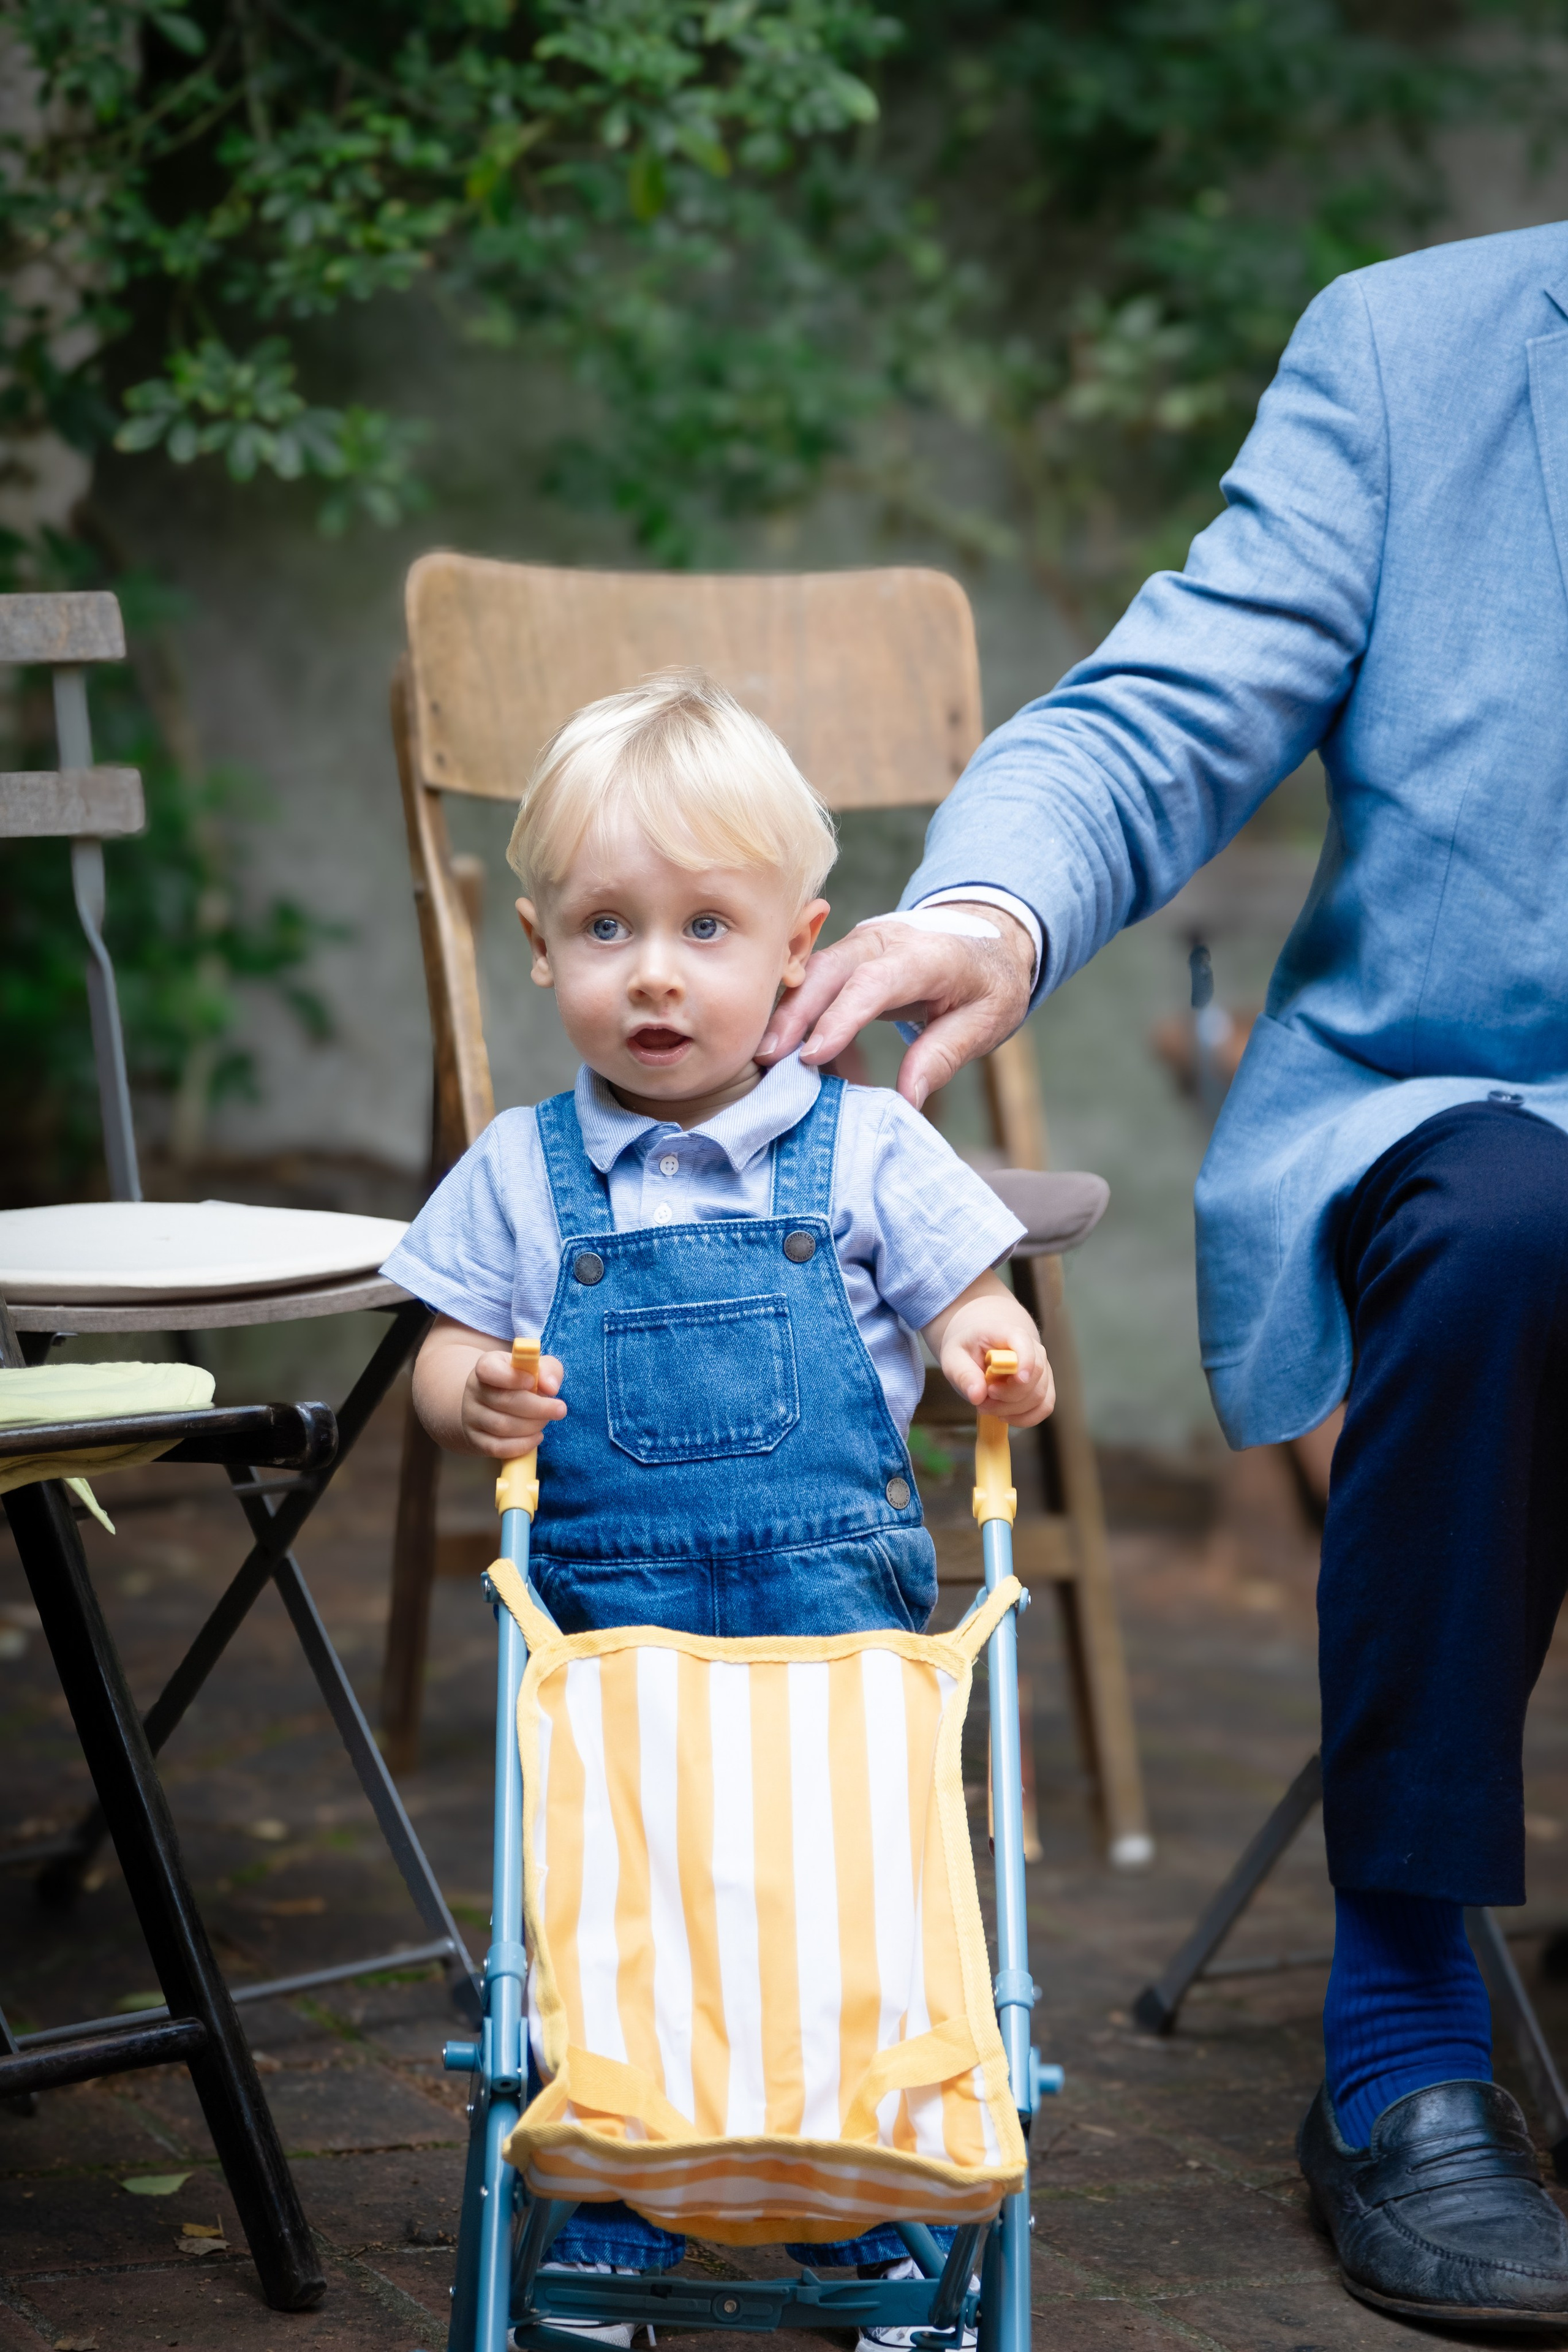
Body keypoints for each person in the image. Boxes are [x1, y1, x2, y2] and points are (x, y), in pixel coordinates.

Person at [758, 219, 1568, 2331]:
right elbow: (1163, 705)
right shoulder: (1422, 354)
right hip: (1474, 1098)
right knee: (1514, 1241)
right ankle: (1403, 2052)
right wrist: (999, 913)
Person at [382, 669, 1050, 2340]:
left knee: (854, 1911)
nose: (658, 973)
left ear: (798, 951)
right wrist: (476, 1395)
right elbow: (436, 1359)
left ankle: (863, 2195)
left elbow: (981, 1298)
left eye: (704, 927)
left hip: (841, 1646)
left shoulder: (873, 1150)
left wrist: (993, 1354)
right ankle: (610, 2190)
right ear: (539, 950)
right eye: (607, 929)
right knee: (621, 1907)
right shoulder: (521, 1171)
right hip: (613, 1652)